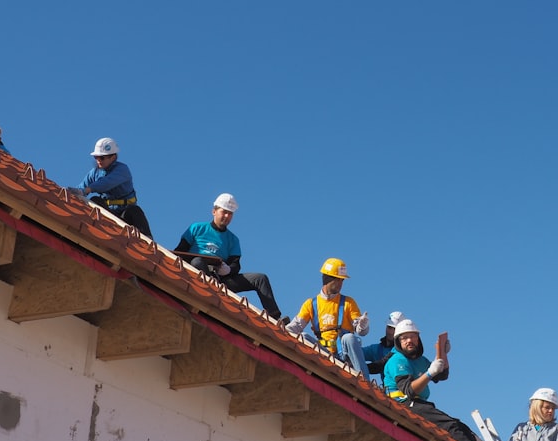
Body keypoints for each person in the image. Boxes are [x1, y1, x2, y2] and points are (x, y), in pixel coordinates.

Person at [174, 193, 285, 321]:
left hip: (221, 280)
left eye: (230, 214)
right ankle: (211, 292)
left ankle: (276, 317)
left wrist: (228, 269)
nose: (227, 216)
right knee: (197, 261)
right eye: (224, 212)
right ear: (214, 211)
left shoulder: (233, 239)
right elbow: (180, 252)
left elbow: (235, 264)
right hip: (197, 274)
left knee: (260, 278)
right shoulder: (197, 228)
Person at [383, 319, 483, 441]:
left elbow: (442, 375)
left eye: (413, 336)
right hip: (403, 404)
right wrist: (429, 373)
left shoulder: (421, 361)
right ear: (398, 342)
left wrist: (443, 355)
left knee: (461, 427)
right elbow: (409, 390)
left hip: (418, 404)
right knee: (450, 426)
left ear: (418, 339)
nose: (409, 340)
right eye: (404, 338)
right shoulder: (397, 361)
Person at [286, 258, 370, 375]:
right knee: (303, 337)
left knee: (349, 338)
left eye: (342, 280)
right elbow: (295, 326)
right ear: (327, 279)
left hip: (344, 354)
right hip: (323, 352)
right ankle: (306, 372)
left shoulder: (348, 303)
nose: (341, 284)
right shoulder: (311, 304)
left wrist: (362, 326)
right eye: (338, 280)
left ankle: (364, 380)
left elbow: (360, 331)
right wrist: (279, 329)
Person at [73, 138, 153, 238]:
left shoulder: (122, 170)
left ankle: (148, 242)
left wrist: (88, 190)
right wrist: (73, 194)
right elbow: (81, 188)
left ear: (113, 157)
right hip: (109, 214)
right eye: (96, 158)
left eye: (102, 158)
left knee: (135, 211)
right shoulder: (94, 173)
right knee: (94, 201)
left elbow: (107, 183)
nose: (98, 161)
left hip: (125, 215)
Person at [362, 311, 405, 381]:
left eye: (394, 329)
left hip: (402, 389)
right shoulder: (376, 349)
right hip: (388, 389)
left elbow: (382, 365)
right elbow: (358, 353)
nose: (391, 332)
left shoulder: (402, 350)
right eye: (389, 327)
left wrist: (360, 368)